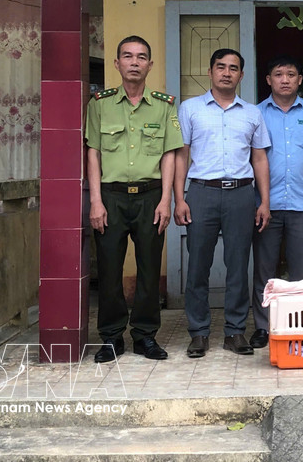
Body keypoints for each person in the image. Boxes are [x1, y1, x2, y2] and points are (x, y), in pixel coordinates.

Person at [85, 35, 183, 363]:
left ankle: (144, 335)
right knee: (109, 270)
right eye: (127, 56)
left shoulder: (164, 105)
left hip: (150, 196)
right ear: (117, 63)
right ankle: (112, 337)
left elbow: (170, 154)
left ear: (150, 65)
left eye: (141, 57)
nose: (134, 62)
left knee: (149, 269)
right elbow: (93, 152)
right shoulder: (99, 104)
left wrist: (165, 200)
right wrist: (95, 201)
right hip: (110, 197)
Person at [174, 48, 271, 357]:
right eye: (221, 67)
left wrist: (264, 201)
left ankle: (235, 331)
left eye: (233, 68)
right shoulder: (190, 109)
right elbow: (181, 156)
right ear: (210, 72)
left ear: (241, 75)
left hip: (241, 194)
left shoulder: (252, 113)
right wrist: (179, 198)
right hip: (201, 193)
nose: (226, 73)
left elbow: (259, 158)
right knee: (197, 266)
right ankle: (199, 332)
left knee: (238, 265)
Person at [249, 56, 303, 349]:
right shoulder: (256, 114)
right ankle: (263, 326)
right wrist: (261, 201)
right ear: (268, 80)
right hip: (265, 205)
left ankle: (299, 325)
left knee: (300, 271)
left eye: (291, 74)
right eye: (279, 74)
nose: (285, 79)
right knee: (265, 270)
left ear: (300, 80)